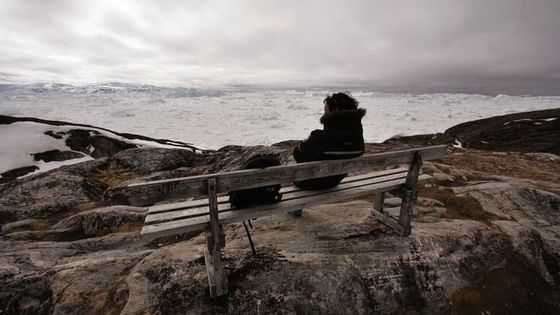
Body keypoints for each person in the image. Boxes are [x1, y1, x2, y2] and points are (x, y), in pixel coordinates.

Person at [289, 92, 366, 216]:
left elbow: (298, 156)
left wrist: (301, 146)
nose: (324, 114)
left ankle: (296, 206)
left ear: (335, 112)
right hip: (334, 181)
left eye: (326, 111)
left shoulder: (319, 137)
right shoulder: (358, 140)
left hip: (310, 184)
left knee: (292, 163)